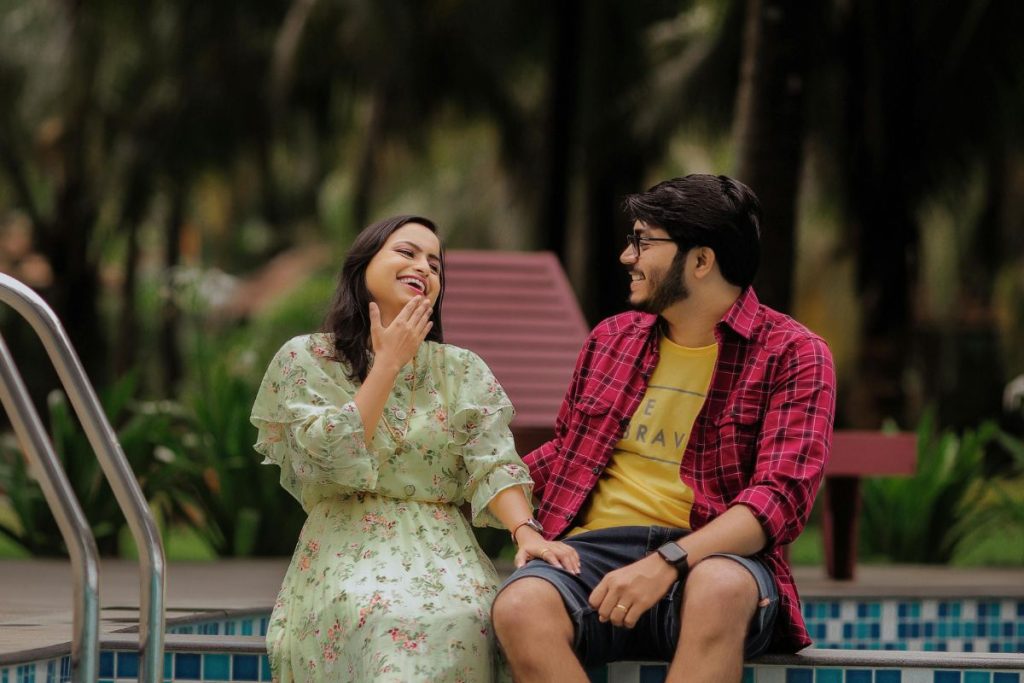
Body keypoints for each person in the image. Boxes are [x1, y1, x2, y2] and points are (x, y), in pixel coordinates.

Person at [491, 175, 836, 683]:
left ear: (701, 260)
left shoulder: (794, 353)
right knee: (519, 605)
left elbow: (778, 499)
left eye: (643, 242)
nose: (628, 257)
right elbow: (565, 453)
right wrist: (473, 485)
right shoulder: (611, 339)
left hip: (713, 553)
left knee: (719, 587)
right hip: (594, 551)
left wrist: (668, 561)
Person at [250, 215, 580, 683]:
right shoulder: (307, 358)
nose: (424, 268)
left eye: (435, 263)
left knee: (471, 619)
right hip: (347, 543)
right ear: (362, 266)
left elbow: (493, 463)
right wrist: (387, 363)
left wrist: (526, 532)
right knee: (385, 617)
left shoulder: (462, 368)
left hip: (445, 546)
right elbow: (327, 459)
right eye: (406, 252)